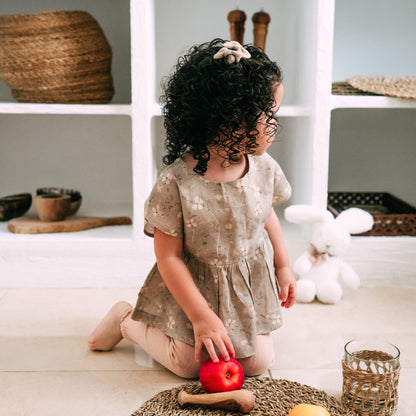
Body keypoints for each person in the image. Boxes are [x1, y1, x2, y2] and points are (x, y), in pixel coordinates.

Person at [88, 39, 297, 379]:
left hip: (244, 283)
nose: (274, 126)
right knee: (188, 365)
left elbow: (265, 214)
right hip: (192, 287)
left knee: (258, 364)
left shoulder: (264, 167)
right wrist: (201, 318)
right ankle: (125, 320)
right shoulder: (177, 183)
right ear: (228, 122)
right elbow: (168, 257)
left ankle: (222, 328)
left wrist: (283, 265)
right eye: (267, 116)